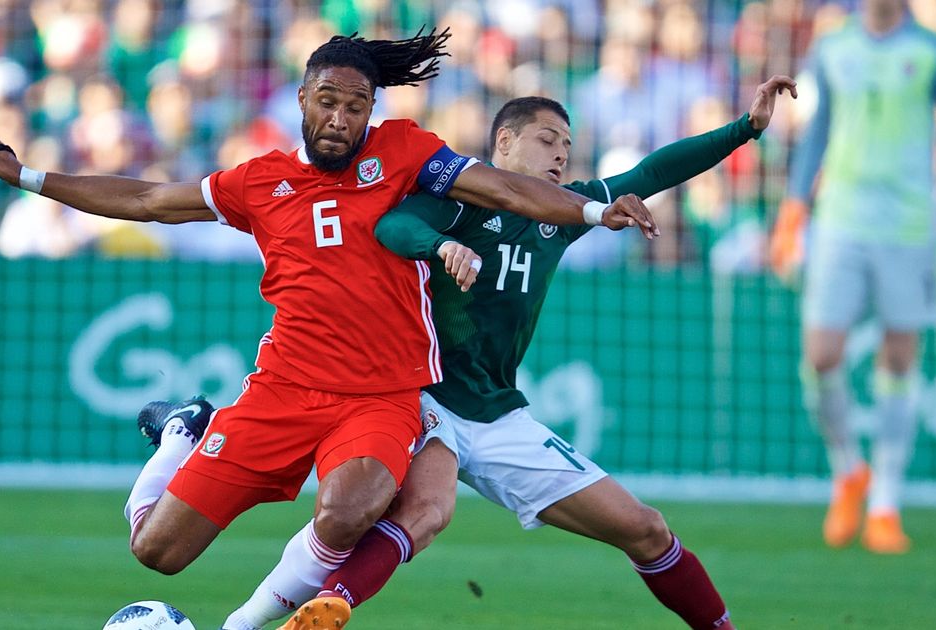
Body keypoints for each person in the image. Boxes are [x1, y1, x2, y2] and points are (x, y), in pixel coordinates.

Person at [0, 29, 658, 630]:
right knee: (157, 552)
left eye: (357, 107)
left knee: (352, 505)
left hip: (381, 394)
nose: (340, 119)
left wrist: (592, 213)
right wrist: (29, 177)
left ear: (371, 112)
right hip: (284, 389)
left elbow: (506, 187)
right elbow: (148, 198)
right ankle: (184, 432)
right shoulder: (257, 182)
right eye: (328, 102)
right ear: (302, 99)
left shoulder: (407, 152)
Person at [217, 75, 798, 630]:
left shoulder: (563, 213)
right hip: (424, 396)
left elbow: (651, 171)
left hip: (498, 414)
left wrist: (745, 127)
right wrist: (443, 246)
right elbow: (392, 227)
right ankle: (324, 608)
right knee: (426, 511)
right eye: (547, 140)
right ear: (504, 141)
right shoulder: (457, 195)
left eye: (567, 146)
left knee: (645, 528)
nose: (560, 155)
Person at [767, 0, 936, 554]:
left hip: (911, 225)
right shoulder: (834, 46)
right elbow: (817, 132)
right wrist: (793, 209)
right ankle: (848, 470)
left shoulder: (934, 50)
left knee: (899, 356)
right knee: (821, 353)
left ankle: (886, 502)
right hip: (841, 220)